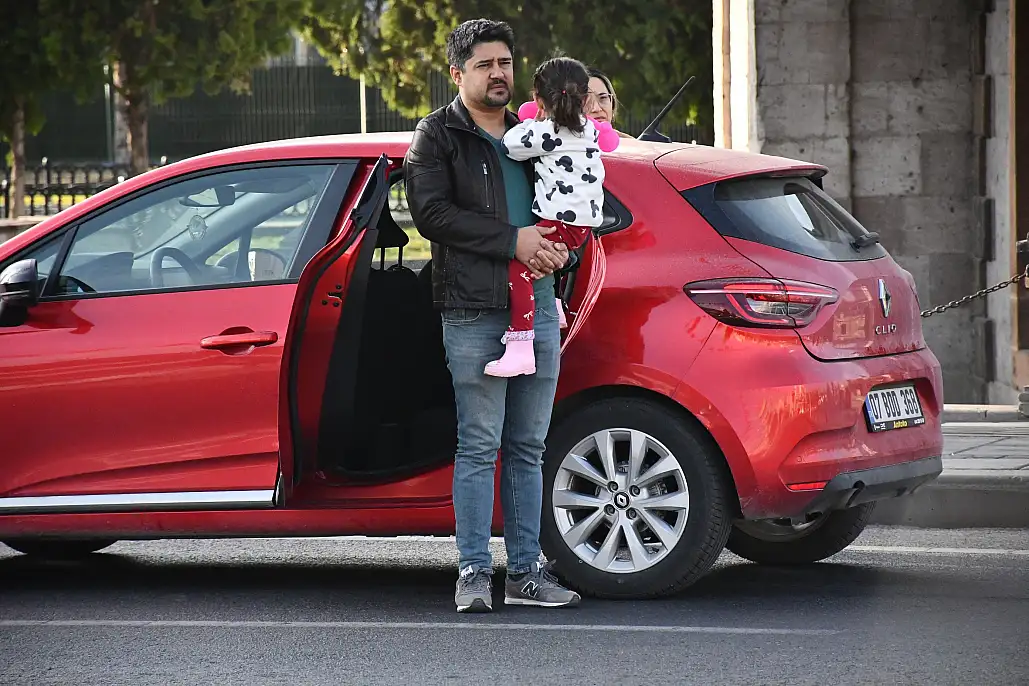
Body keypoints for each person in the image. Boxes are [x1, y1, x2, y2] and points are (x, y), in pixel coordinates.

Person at [403, 18, 582, 613]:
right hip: (474, 310)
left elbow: (572, 196)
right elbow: (431, 214)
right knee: (480, 445)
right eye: (484, 65)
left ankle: (526, 573)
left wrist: (561, 249)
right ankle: (474, 572)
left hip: (540, 306)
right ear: (457, 73)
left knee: (529, 447)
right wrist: (515, 241)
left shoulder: (536, 131)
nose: (498, 73)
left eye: (505, 62)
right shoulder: (438, 135)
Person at [484, 57, 620, 377]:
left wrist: (534, 118)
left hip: (561, 220)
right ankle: (556, 306)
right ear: (585, 99)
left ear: (538, 99)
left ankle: (520, 346)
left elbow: (510, 145)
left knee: (519, 268)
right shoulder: (589, 129)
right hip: (582, 222)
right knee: (549, 253)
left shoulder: (546, 133)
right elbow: (610, 140)